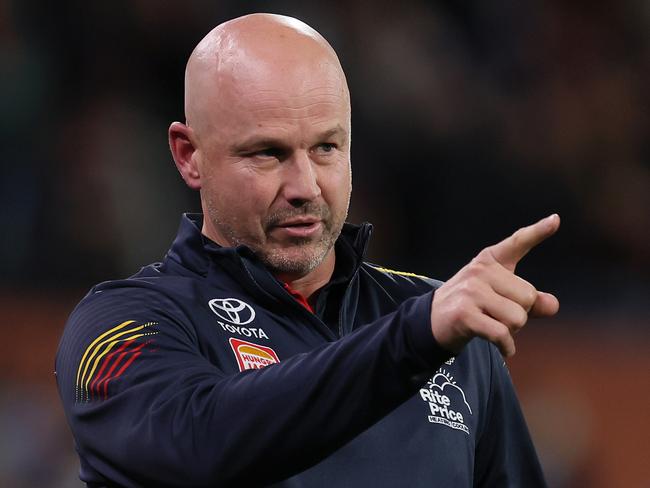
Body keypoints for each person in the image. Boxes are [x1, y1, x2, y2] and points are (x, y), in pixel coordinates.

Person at [55, 13, 559, 487]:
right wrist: (414, 338)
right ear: (190, 156)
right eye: (268, 153)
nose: (306, 186)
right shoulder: (118, 325)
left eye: (326, 148)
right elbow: (199, 442)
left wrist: (425, 330)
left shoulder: (452, 332)